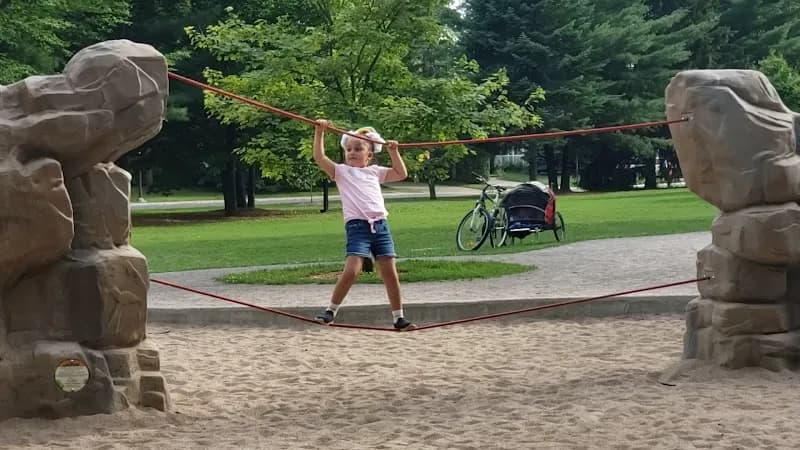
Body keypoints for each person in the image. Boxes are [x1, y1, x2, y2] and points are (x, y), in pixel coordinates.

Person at [311, 119, 415, 330]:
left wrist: (394, 151)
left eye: (358, 149)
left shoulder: (375, 171)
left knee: (390, 272)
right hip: (357, 227)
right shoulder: (341, 172)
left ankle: (398, 317)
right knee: (352, 270)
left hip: (381, 226)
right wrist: (319, 131)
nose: (352, 152)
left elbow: (401, 173)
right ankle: (330, 311)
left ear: (369, 155)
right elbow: (319, 157)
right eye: (348, 149)